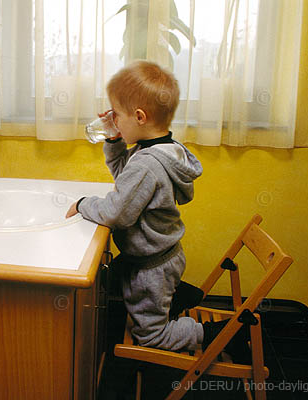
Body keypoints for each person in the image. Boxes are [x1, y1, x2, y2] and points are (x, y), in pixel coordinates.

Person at [66, 61, 250, 362]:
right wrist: (114, 139)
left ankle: (220, 333)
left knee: (150, 335)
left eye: (118, 115)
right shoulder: (162, 150)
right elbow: (124, 175)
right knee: (115, 278)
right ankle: (175, 296)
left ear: (139, 116)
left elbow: (116, 214)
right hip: (162, 258)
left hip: (151, 269)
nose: (113, 120)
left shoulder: (147, 163)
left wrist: (83, 204)